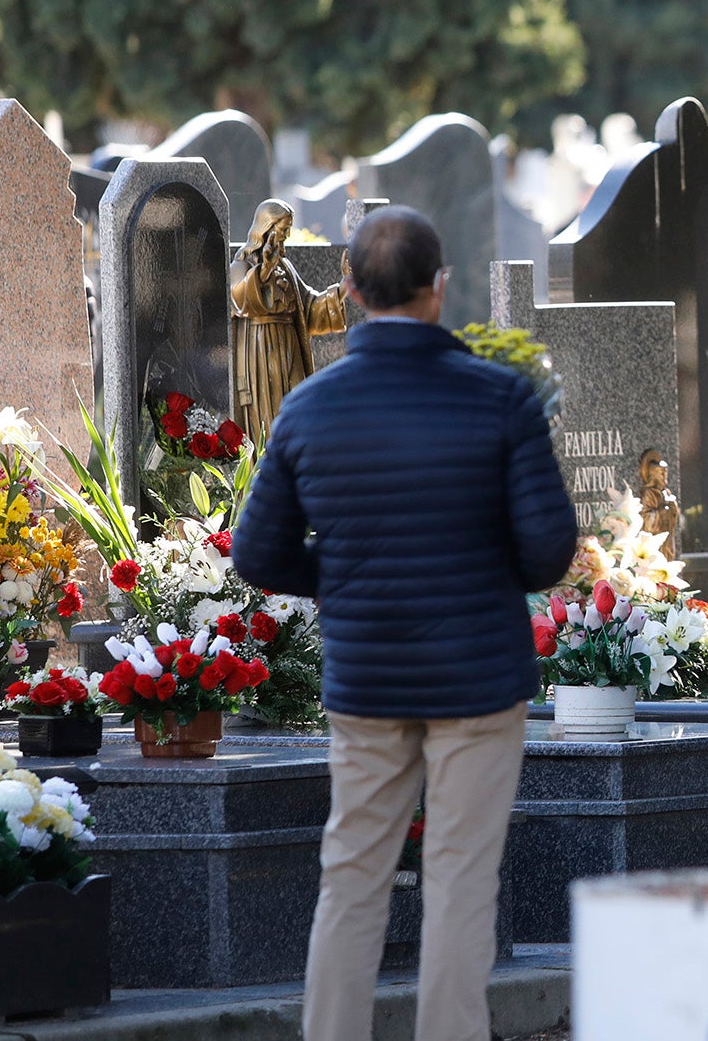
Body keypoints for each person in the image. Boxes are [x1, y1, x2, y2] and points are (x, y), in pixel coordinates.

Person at [231, 205, 578, 1041]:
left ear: (348, 291)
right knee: (462, 882)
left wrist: (344, 582)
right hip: (478, 678)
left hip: (369, 677)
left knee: (351, 877)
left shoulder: (309, 408)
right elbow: (547, 550)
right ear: (440, 288)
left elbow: (257, 552)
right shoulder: (500, 398)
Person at [230, 198, 349, 441]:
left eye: (288, 229)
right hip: (259, 350)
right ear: (266, 227)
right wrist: (263, 270)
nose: (285, 235)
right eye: (282, 229)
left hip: (289, 347)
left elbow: (308, 310)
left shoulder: (286, 266)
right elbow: (239, 300)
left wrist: (344, 288)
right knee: (267, 416)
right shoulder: (243, 263)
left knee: (297, 408)